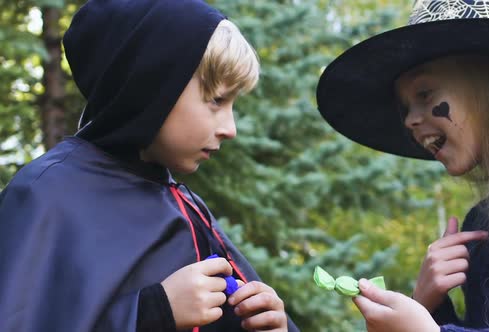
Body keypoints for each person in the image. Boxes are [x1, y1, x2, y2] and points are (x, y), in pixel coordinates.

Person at [0, 1, 299, 331]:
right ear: (152, 86)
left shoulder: (184, 207)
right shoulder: (46, 194)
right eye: (216, 100)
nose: (231, 128)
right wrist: (152, 313)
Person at [316, 0, 489, 331]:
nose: (410, 120)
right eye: (405, 108)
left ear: (488, 83)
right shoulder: (483, 225)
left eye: (425, 94)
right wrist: (431, 307)